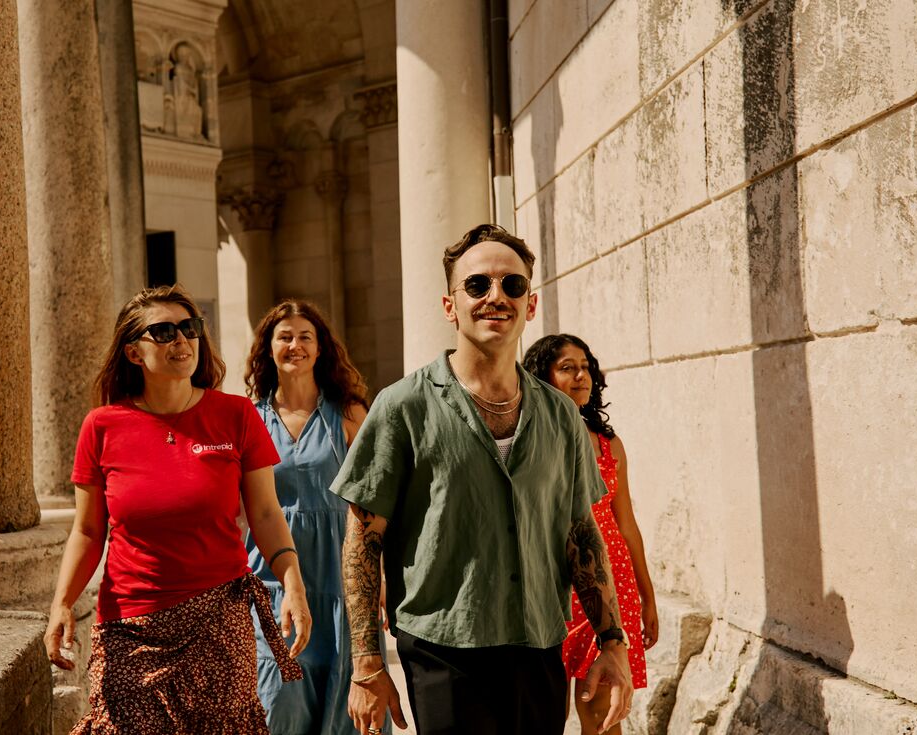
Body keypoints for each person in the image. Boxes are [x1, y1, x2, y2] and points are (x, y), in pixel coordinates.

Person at [330, 224, 634, 735]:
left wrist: (613, 641)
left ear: (530, 304)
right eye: (477, 285)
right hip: (442, 649)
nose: (496, 296)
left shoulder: (561, 415)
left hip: (538, 642)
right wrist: (367, 662)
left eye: (512, 285)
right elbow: (363, 537)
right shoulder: (402, 406)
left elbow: (580, 533)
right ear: (450, 306)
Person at [43, 284, 309, 734]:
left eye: (190, 327)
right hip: (130, 624)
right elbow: (87, 532)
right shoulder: (102, 426)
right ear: (133, 352)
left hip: (218, 620)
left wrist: (293, 584)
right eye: (164, 332)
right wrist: (62, 604)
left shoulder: (236, 415)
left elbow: (265, 514)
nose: (181, 340)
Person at [243, 299, 388, 735]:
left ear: (321, 347)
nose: (295, 345)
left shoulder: (349, 414)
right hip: (272, 582)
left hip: (342, 580)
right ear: (268, 348)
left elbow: (375, 503)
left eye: (305, 336)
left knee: (348, 709)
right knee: (277, 704)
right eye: (284, 337)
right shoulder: (249, 419)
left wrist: (379, 576)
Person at [524, 334, 658, 734]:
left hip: (609, 589)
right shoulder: (527, 440)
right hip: (549, 587)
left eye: (585, 367)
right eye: (567, 368)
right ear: (542, 378)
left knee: (602, 717)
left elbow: (626, 524)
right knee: (543, 715)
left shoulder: (609, 445)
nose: (581, 376)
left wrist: (647, 596)